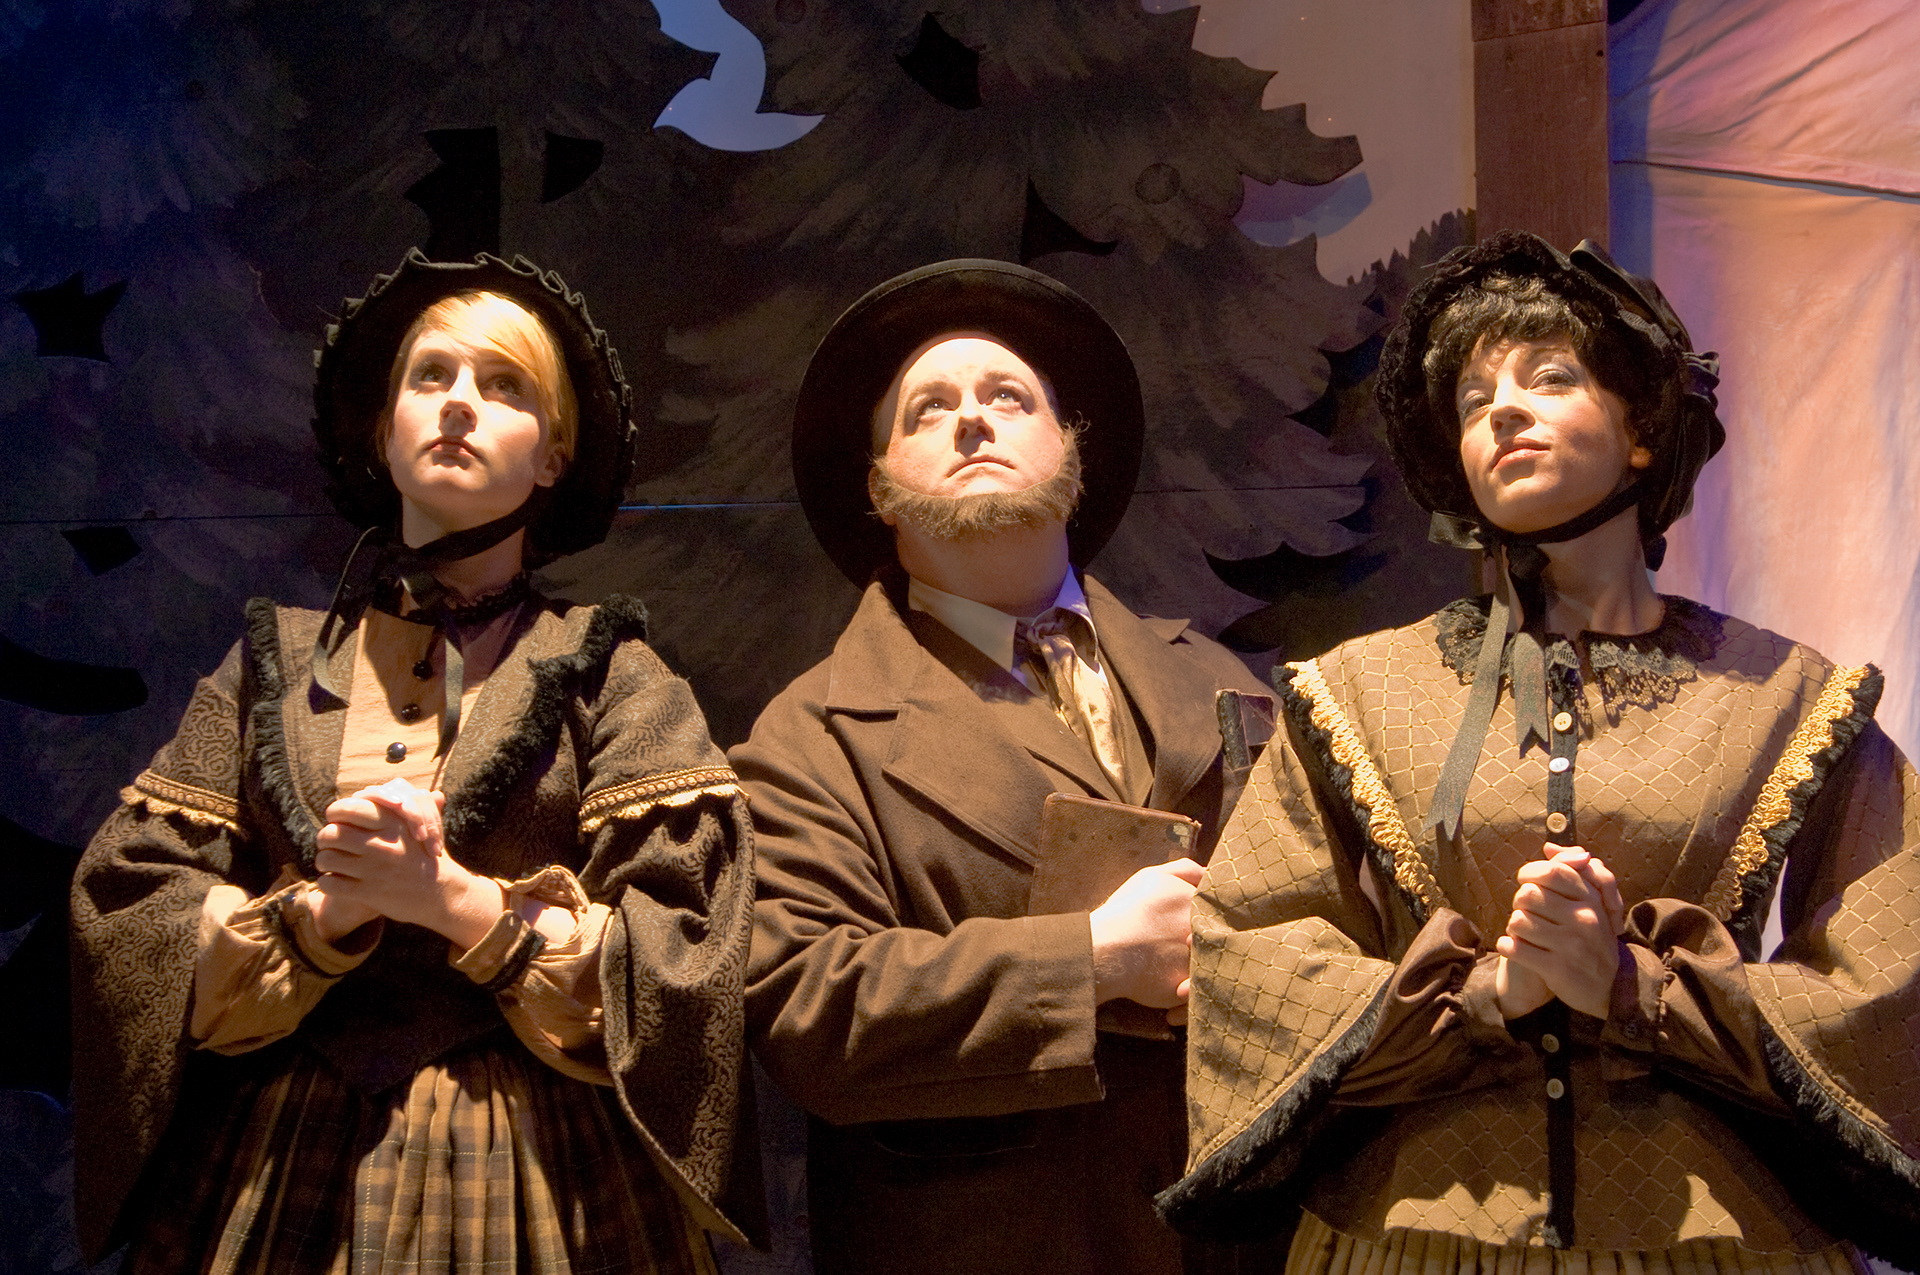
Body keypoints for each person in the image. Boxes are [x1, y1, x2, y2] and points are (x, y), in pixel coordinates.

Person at [1158, 230, 1920, 1272]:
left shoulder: (1786, 695)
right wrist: (1490, 995)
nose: (1503, 410)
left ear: (1642, 429)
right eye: (1474, 401)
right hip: (1417, 1234)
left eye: (1549, 378)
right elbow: (1253, 953)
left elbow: (1892, 973)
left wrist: (1637, 992)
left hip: (1710, 1239)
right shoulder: (1360, 692)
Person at [70, 251, 762, 1273]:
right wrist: (325, 917)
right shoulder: (272, 665)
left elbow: (684, 958)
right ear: (382, 433)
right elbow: (135, 911)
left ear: (553, 457)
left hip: (541, 1177)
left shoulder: (611, 672)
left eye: (503, 385)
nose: (458, 406)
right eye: (429, 378)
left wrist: (457, 904)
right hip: (280, 1163)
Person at [733, 259, 1277, 1274]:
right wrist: (1095, 959)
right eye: (928, 409)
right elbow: (805, 1006)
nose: (972, 422)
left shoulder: (1216, 681)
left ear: (1070, 448)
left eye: (1007, 398)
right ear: (878, 487)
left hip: (1228, 1239)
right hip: (982, 1242)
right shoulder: (812, 737)